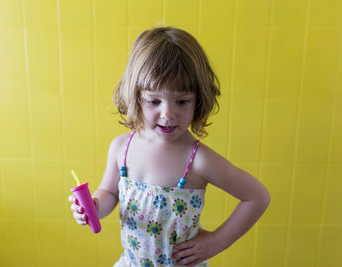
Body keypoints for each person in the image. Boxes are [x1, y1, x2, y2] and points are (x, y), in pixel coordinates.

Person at [69, 26, 270, 267]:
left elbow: (257, 197)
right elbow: (110, 192)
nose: (168, 114)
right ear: (136, 96)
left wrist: (216, 241)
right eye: (154, 101)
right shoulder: (122, 148)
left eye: (182, 101)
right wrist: (95, 206)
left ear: (199, 100)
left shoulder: (197, 160)